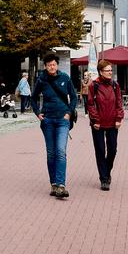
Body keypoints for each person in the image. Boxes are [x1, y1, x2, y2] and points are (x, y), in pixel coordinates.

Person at [32, 52, 78, 199]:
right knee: (51, 153)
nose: (52, 67)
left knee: (60, 151)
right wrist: (38, 114)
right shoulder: (42, 80)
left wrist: (69, 113)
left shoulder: (65, 78)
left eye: (54, 64)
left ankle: (61, 184)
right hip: (48, 121)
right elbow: (33, 98)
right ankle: (53, 184)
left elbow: (74, 96)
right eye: (49, 65)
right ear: (45, 66)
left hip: (62, 120)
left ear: (57, 65)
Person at [87, 59, 124, 191]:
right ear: (101, 72)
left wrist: (119, 117)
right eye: (107, 70)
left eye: (111, 70)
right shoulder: (94, 86)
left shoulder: (115, 85)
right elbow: (90, 104)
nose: (110, 72)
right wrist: (95, 120)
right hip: (98, 124)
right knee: (100, 150)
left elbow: (119, 102)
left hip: (113, 122)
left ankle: (107, 171)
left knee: (113, 149)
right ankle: (104, 179)